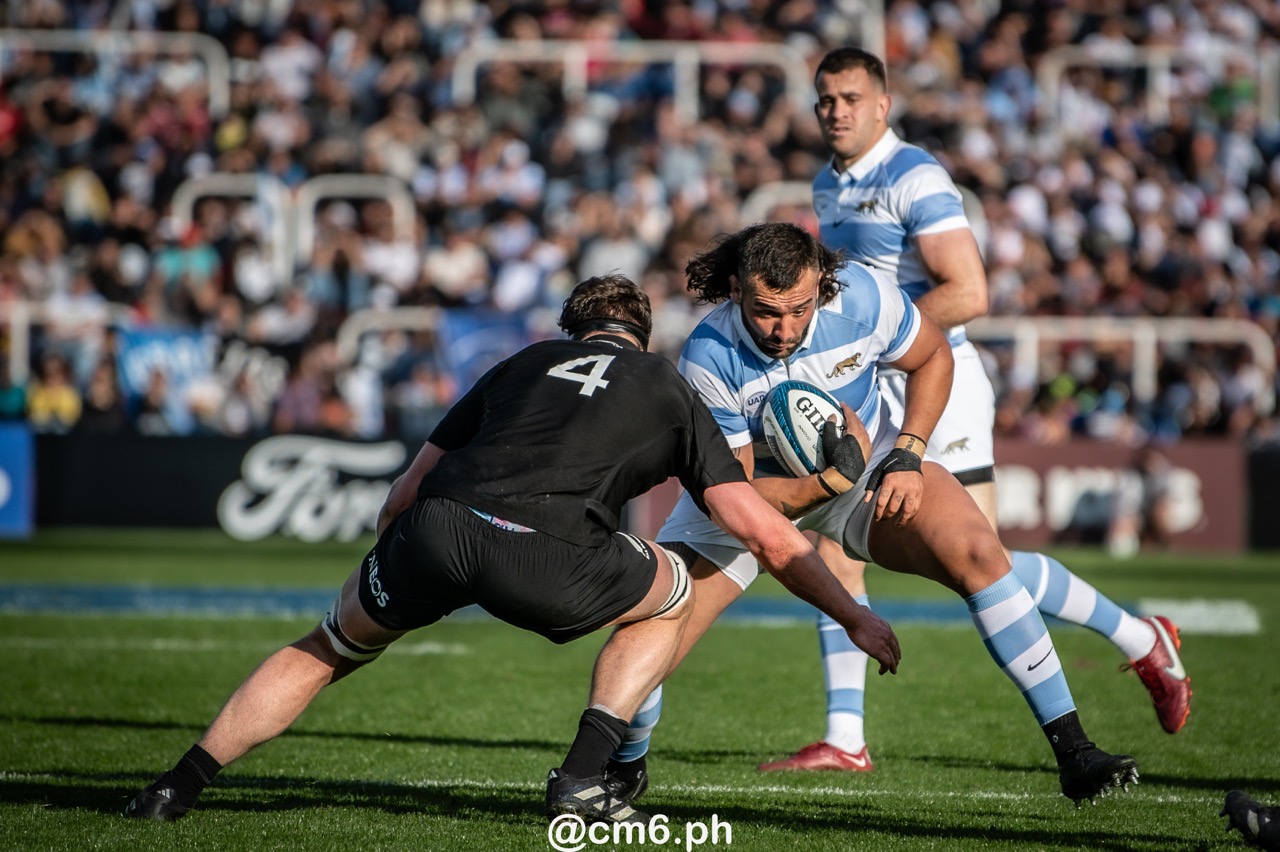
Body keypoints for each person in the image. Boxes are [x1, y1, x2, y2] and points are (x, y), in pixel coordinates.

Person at [123, 274, 900, 826]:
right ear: (640, 336)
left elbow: (404, 493)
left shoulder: (519, 365)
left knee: (326, 646)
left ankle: (177, 785)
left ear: (574, 330)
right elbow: (759, 530)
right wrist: (853, 615)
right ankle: (589, 774)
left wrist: (387, 575)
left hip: (438, 530)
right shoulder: (667, 385)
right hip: (553, 555)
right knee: (674, 591)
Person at [753, 45, 1190, 773]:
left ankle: (1143, 640)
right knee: (832, 544)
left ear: (883, 105)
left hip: (935, 380)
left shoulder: (913, 175)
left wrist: (880, 340)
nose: (835, 111)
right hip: (874, 384)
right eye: (825, 99)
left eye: (850, 98)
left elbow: (969, 290)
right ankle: (846, 736)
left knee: (983, 561)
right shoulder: (827, 185)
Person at [603, 222, 1138, 806]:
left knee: (980, 553)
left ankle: (1076, 752)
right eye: (765, 312)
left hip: (868, 466)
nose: (783, 331)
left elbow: (933, 355)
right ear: (735, 290)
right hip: (746, 495)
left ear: (824, 286)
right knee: (649, 633)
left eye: (799, 309)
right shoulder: (708, 353)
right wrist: (826, 479)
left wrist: (908, 452)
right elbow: (740, 493)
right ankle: (626, 766)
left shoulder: (864, 295)